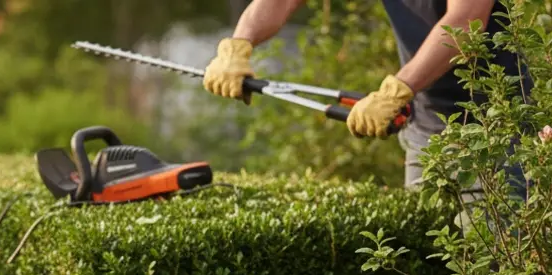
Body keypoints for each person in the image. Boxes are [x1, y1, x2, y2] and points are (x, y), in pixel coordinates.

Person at [203, 0, 525, 191]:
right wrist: (239, 44)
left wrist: (398, 88)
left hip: (498, 131)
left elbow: (466, 22)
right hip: (427, 134)